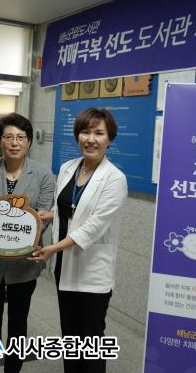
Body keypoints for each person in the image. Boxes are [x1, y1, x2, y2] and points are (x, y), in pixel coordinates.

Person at [30, 108, 128, 373]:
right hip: (64, 267)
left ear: (110, 138)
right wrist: (48, 215)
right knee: (71, 339)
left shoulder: (115, 179)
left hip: (92, 273)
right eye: (85, 132)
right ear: (77, 135)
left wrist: (52, 248)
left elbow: (93, 227)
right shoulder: (68, 168)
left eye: (99, 133)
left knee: (90, 341)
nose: (91, 139)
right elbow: (67, 208)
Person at [0, 113, 55, 373]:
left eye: (20, 137)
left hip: (24, 262)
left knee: (19, 322)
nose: (14, 142)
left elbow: (44, 216)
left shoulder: (43, 174)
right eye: (8, 137)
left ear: (29, 141)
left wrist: (39, 222)